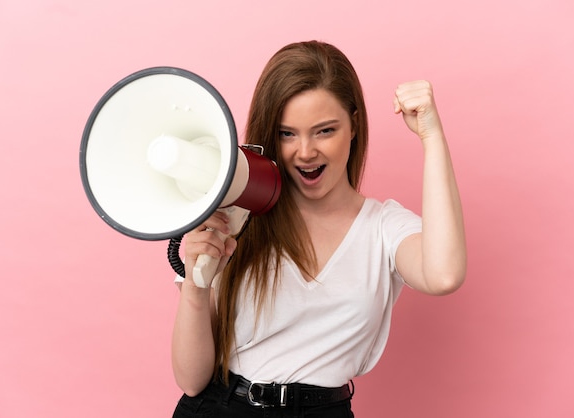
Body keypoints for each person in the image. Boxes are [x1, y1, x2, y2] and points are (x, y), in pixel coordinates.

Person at [170, 40, 466, 418]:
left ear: (354, 125)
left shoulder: (383, 228)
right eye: (287, 134)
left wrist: (432, 136)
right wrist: (196, 285)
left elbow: (443, 274)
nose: (305, 151)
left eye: (324, 131)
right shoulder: (239, 216)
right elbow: (191, 380)